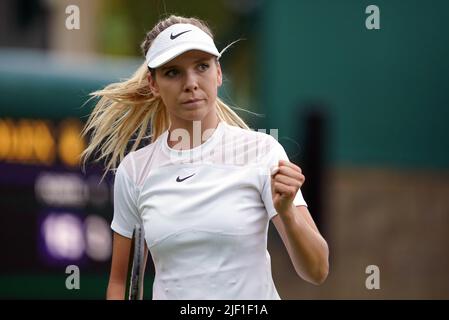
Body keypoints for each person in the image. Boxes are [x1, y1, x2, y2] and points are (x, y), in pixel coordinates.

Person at [81, 15, 329, 300]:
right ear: (153, 83)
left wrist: (287, 214)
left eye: (201, 67)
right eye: (173, 72)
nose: (191, 83)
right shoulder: (135, 171)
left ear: (218, 73)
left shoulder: (263, 152)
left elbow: (317, 270)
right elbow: (118, 285)